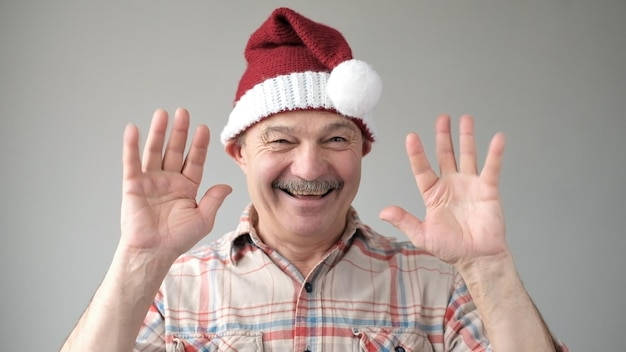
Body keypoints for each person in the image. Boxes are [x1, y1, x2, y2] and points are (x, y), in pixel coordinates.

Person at [61, 7, 567, 352]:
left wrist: (490, 269)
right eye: (280, 141)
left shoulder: (439, 284)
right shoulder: (168, 288)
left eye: (336, 140)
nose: (308, 168)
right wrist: (138, 262)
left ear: (363, 150)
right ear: (239, 153)